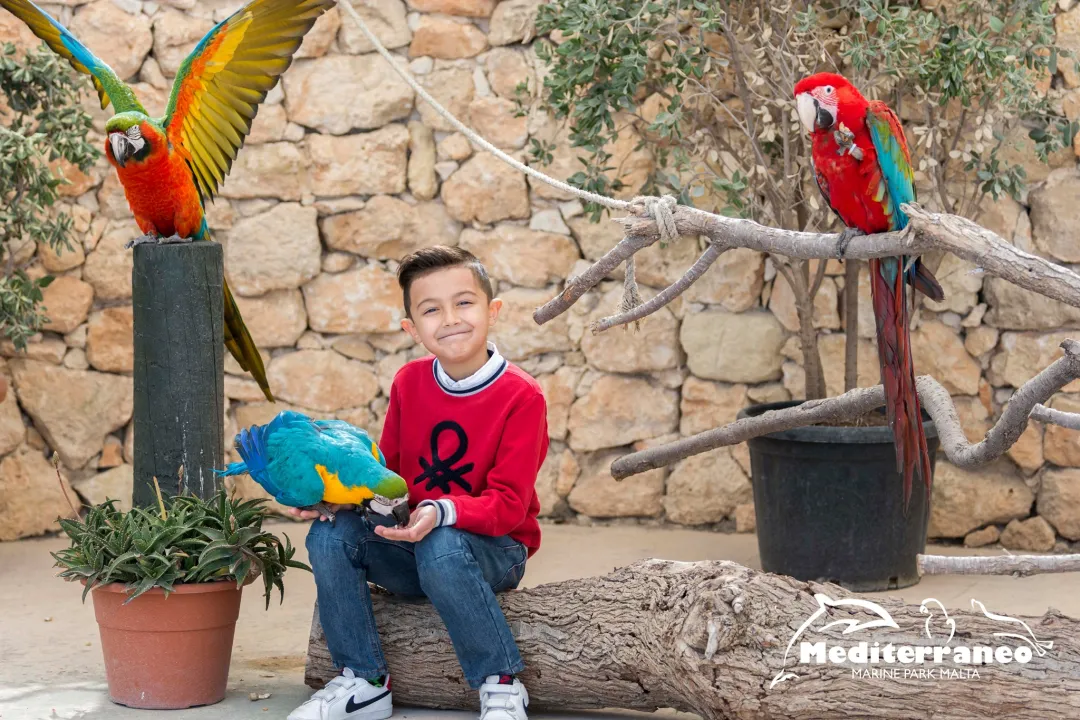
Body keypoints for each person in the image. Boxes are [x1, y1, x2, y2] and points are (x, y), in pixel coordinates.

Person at [288, 245, 549, 720]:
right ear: (412, 328)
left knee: (443, 543)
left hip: (493, 551)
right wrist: (340, 501)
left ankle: (501, 682)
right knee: (330, 533)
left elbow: (509, 506)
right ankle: (363, 681)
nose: (451, 319)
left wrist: (441, 512)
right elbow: (387, 478)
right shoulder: (409, 382)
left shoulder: (521, 396)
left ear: (493, 311)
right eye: (431, 309)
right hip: (414, 545)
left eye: (464, 303)